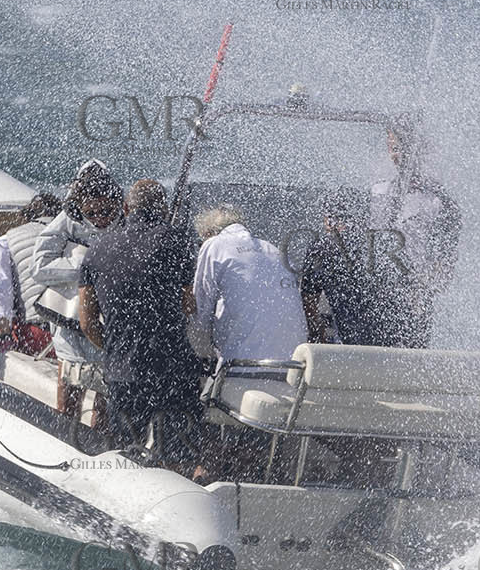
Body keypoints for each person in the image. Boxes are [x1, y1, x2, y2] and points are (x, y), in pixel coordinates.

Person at [78, 179, 202, 467]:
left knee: (126, 456)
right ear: (163, 208)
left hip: (124, 370)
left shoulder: (97, 249)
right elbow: (189, 304)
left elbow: (87, 322)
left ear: (125, 208)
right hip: (172, 369)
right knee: (177, 457)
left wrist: (114, 347)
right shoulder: (177, 240)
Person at [33, 161, 121, 423]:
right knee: (69, 397)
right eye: (91, 214)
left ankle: (102, 446)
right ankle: (65, 440)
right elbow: (39, 267)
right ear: (78, 205)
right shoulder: (65, 223)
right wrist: (85, 266)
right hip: (71, 323)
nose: (99, 219)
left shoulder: (125, 221)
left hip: (110, 325)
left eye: (106, 211)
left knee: (105, 403)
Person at [366, 119, 461, 347]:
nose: (397, 156)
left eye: (402, 148)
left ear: (420, 149)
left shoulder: (438, 201)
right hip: (374, 289)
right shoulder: (378, 191)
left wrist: (422, 289)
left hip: (414, 293)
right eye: (393, 148)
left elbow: (444, 260)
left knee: (411, 349)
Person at [191, 204, 308, 363]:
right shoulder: (273, 249)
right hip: (293, 363)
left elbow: (202, 308)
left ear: (208, 233)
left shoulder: (214, 245)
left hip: (244, 363)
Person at [299, 190, 413, 347]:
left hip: (352, 350)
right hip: (395, 346)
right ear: (364, 217)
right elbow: (411, 293)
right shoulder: (387, 244)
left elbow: (309, 301)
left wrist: (317, 335)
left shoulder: (323, 249)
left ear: (328, 220)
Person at [0, 192, 62, 357]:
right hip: (72, 334)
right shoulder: (73, 235)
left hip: (35, 334)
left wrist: (1, 337)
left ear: (28, 216)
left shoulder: (6, 241)